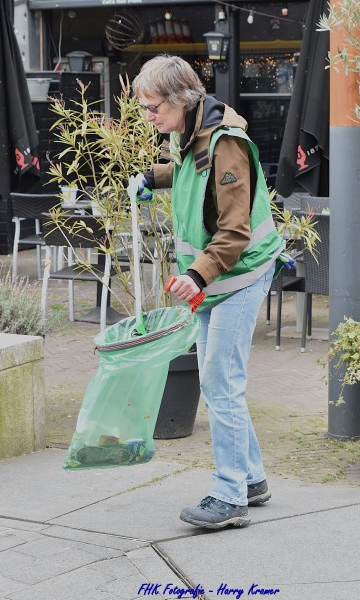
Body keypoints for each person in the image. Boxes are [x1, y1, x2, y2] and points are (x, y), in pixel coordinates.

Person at [132, 55, 286, 530]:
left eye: (153, 106)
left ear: (180, 99)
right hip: (216, 280)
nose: (148, 116)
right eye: (144, 108)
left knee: (221, 382)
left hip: (238, 277)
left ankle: (229, 495)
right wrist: (152, 178)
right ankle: (252, 479)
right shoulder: (191, 132)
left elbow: (235, 231)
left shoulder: (227, 144)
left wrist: (197, 275)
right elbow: (186, 171)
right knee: (219, 381)